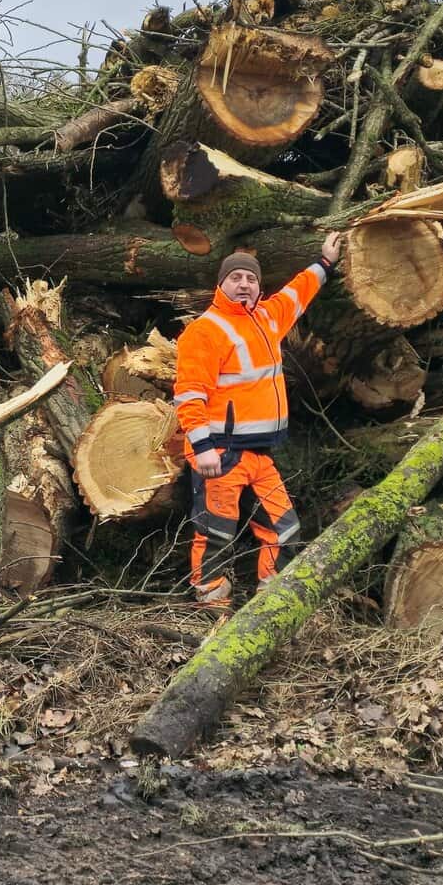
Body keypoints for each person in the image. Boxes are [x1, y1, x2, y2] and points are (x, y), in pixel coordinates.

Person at [170, 227, 345, 614]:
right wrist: (202, 448)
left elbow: (298, 293)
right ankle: (213, 613)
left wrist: (325, 262)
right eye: (236, 277)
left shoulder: (267, 318)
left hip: (260, 455)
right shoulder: (205, 331)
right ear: (222, 284)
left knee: (285, 531)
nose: (245, 284)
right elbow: (190, 395)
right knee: (215, 536)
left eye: (251, 278)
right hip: (220, 454)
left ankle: (268, 609)